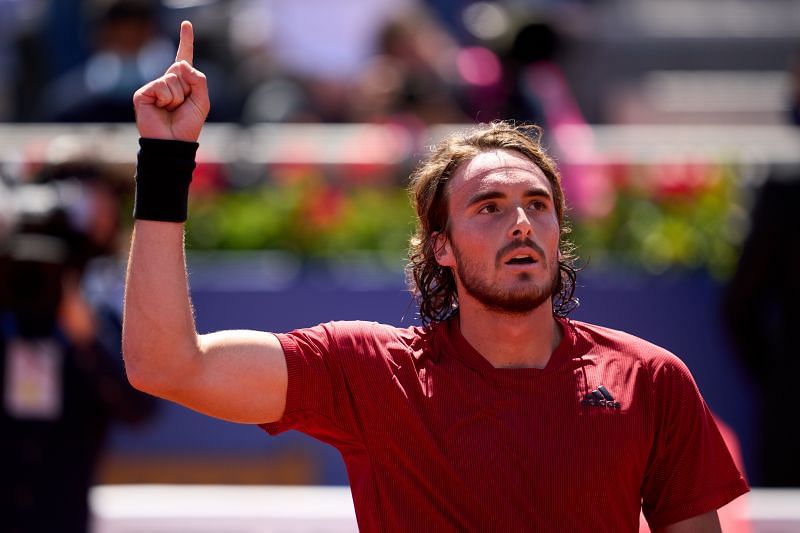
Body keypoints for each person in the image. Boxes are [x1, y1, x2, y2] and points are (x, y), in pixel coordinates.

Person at [124, 21, 748, 532]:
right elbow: (165, 364)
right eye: (490, 208)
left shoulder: (652, 379)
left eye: (538, 205)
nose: (523, 223)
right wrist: (165, 160)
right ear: (440, 248)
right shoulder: (368, 371)